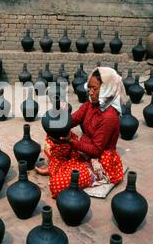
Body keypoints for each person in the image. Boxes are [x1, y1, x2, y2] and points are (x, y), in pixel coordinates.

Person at [36, 67, 127, 198]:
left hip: (99, 161)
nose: (90, 92)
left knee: (57, 184)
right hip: (84, 149)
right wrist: (61, 117)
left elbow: (96, 150)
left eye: (94, 89)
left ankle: (63, 171)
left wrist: (72, 141)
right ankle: (54, 168)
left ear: (107, 89)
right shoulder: (91, 104)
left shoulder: (109, 117)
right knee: (55, 137)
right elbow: (73, 119)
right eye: (89, 88)